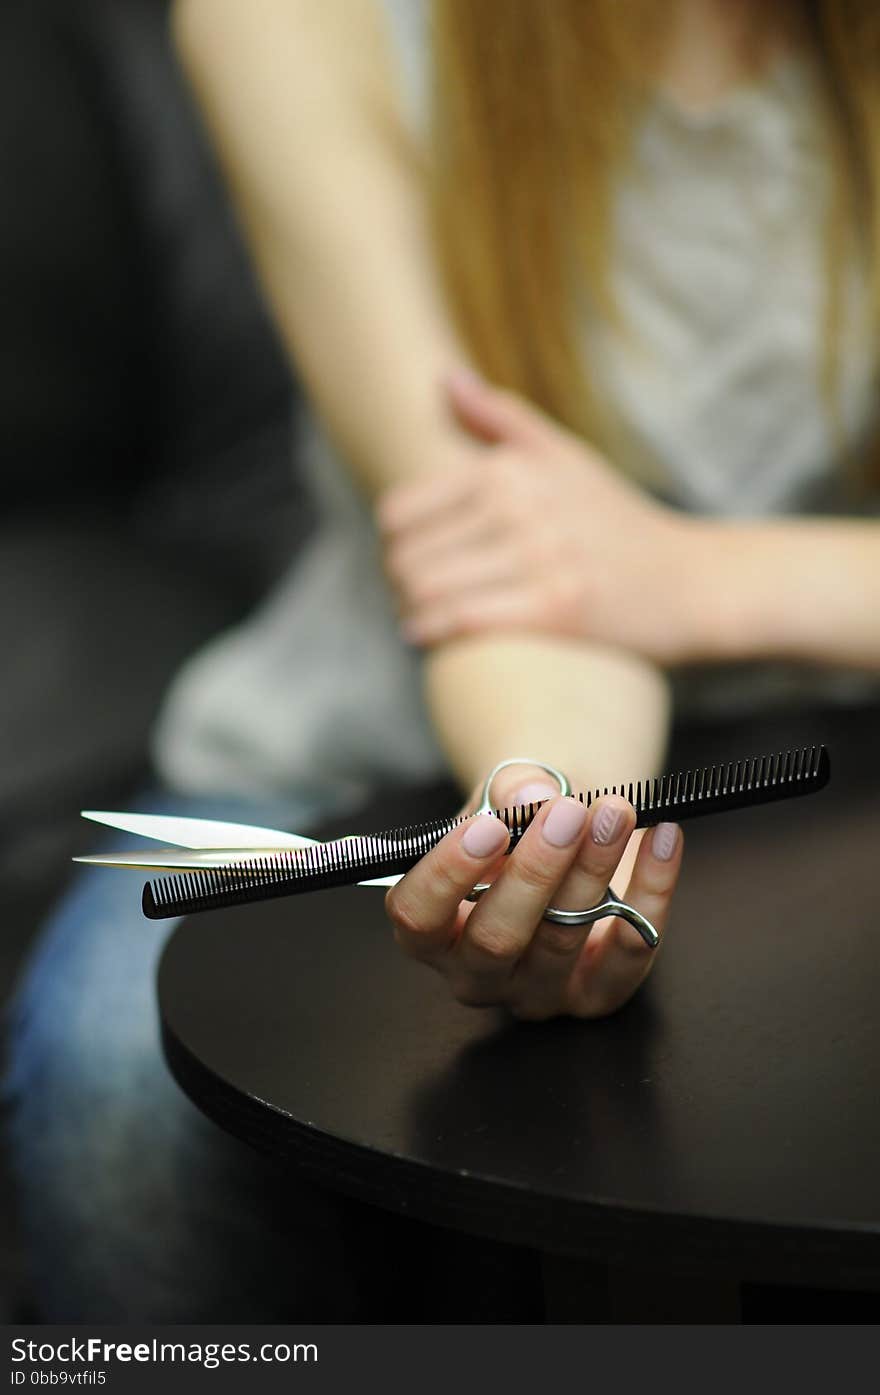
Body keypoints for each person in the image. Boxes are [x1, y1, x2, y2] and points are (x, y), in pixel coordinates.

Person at [6, 0, 880, 1320]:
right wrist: (551, 818)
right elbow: (494, 565)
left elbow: (588, 569)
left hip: (837, 762)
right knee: (114, 1078)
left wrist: (698, 578)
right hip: (387, 745)